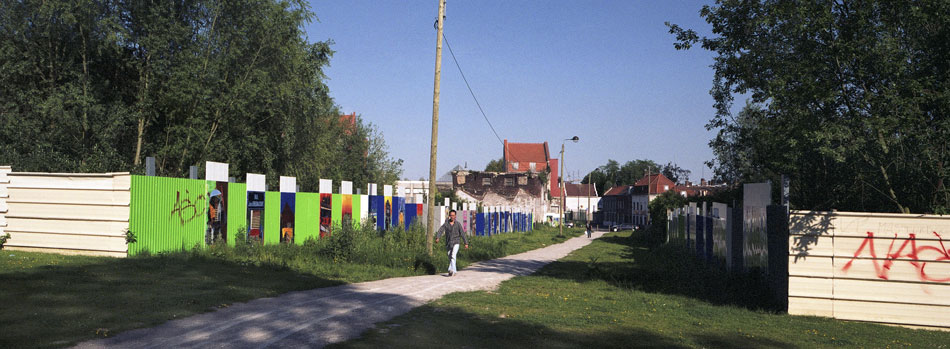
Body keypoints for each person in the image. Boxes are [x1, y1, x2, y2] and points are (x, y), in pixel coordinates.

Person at [435, 209, 469, 276]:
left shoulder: (458, 224)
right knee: (450, 256)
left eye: (453, 215)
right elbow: (441, 230)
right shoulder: (446, 224)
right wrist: (438, 237)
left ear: (455, 216)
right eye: (451, 215)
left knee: (453, 255)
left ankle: (454, 270)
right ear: (449, 216)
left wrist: (466, 243)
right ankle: (451, 269)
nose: (452, 217)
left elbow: (462, 233)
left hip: (456, 242)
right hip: (448, 242)